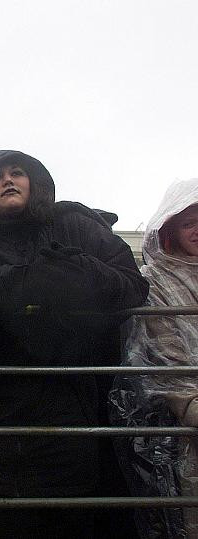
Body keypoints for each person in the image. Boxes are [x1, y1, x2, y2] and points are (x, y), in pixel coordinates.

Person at [0, 150, 148, 539]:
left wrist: (76, 272)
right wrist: (22, 282)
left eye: (17, 172)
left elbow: (132, 285)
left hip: (67, 426)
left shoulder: (73, 228)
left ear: (34, 183)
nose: (8, 180)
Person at [110, 178, 198, 539]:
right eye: (189, 222)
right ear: (170, 229)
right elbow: (167, 361)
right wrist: (192, 405)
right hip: (185, 427)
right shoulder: (154, 281)